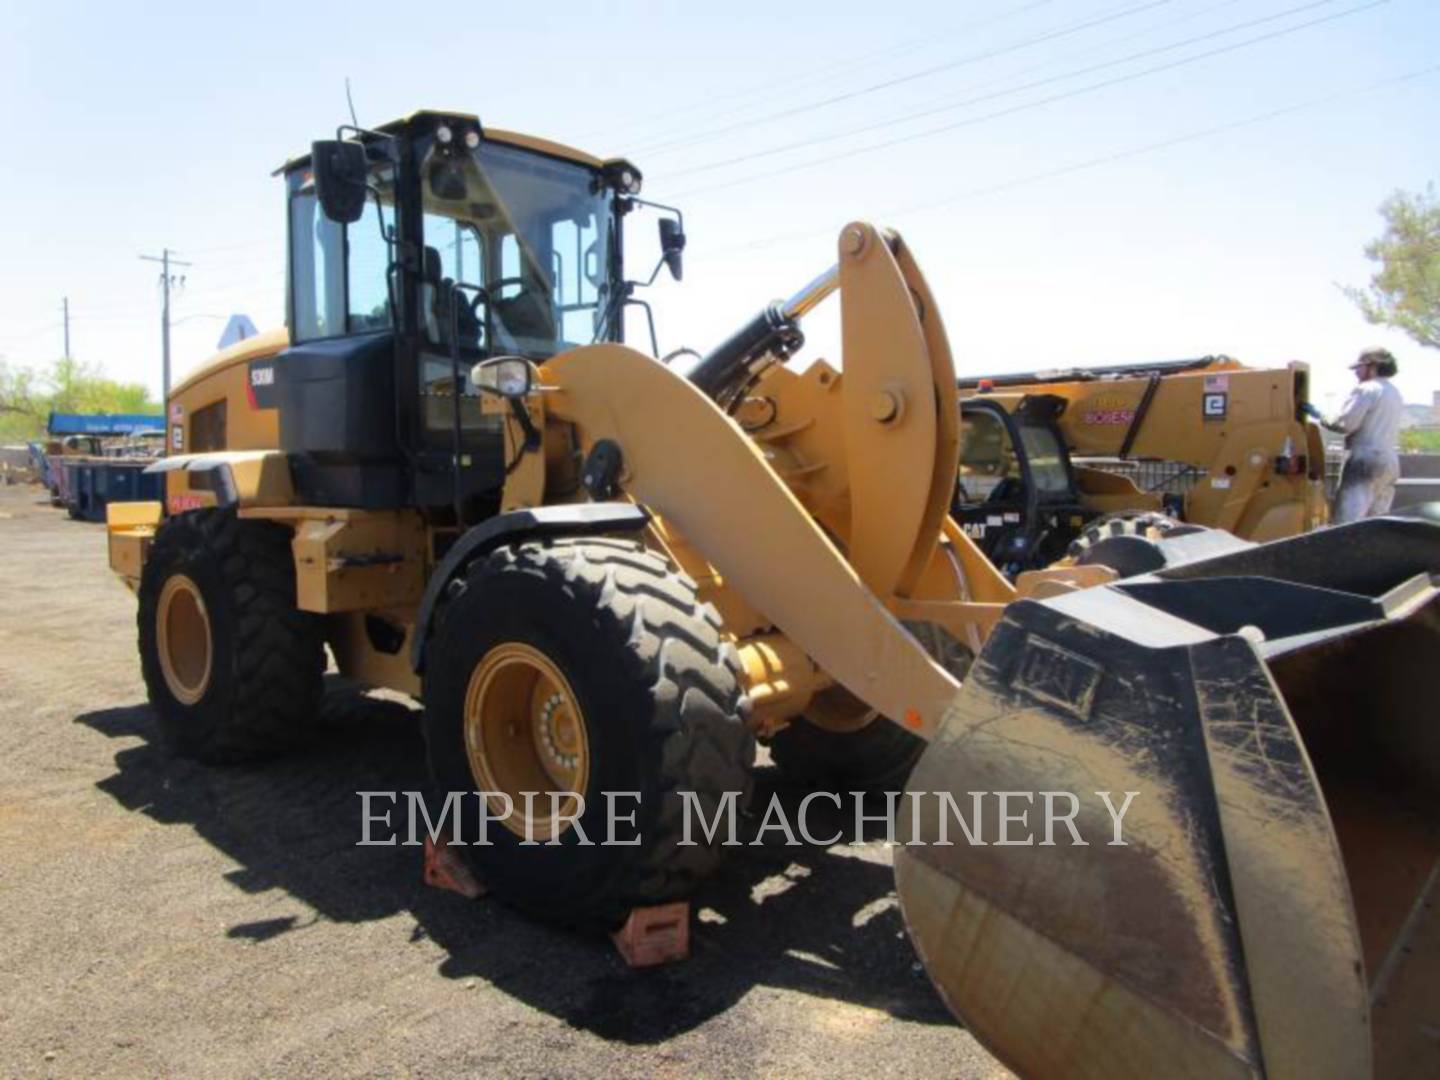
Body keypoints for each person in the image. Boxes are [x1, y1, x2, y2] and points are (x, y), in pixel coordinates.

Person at [1317, 348, 1404, 523]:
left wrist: (1322, 416)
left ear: (1372, 366)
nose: (1356, 372)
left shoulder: (1366, 389)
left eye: (1359, 367)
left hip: (1365, 461)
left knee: (1347, 523)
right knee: (1376, 524)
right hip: (1390, 463)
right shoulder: (1394, 392)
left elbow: (1345, 424)